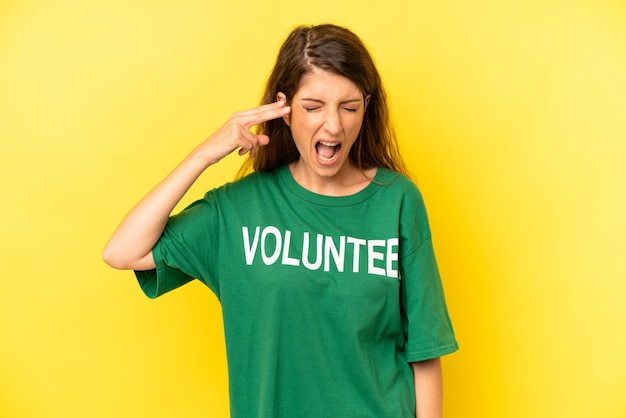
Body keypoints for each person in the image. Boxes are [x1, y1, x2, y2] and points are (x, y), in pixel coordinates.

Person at [103, 23, 458, 418]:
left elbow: (425, 351)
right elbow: (122, 251)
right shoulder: (238, 211)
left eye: (350, 107)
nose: (334, 125)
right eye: (312, 107)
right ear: (284, 110)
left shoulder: (397, 202)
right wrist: (204, 154)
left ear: (367, 107)